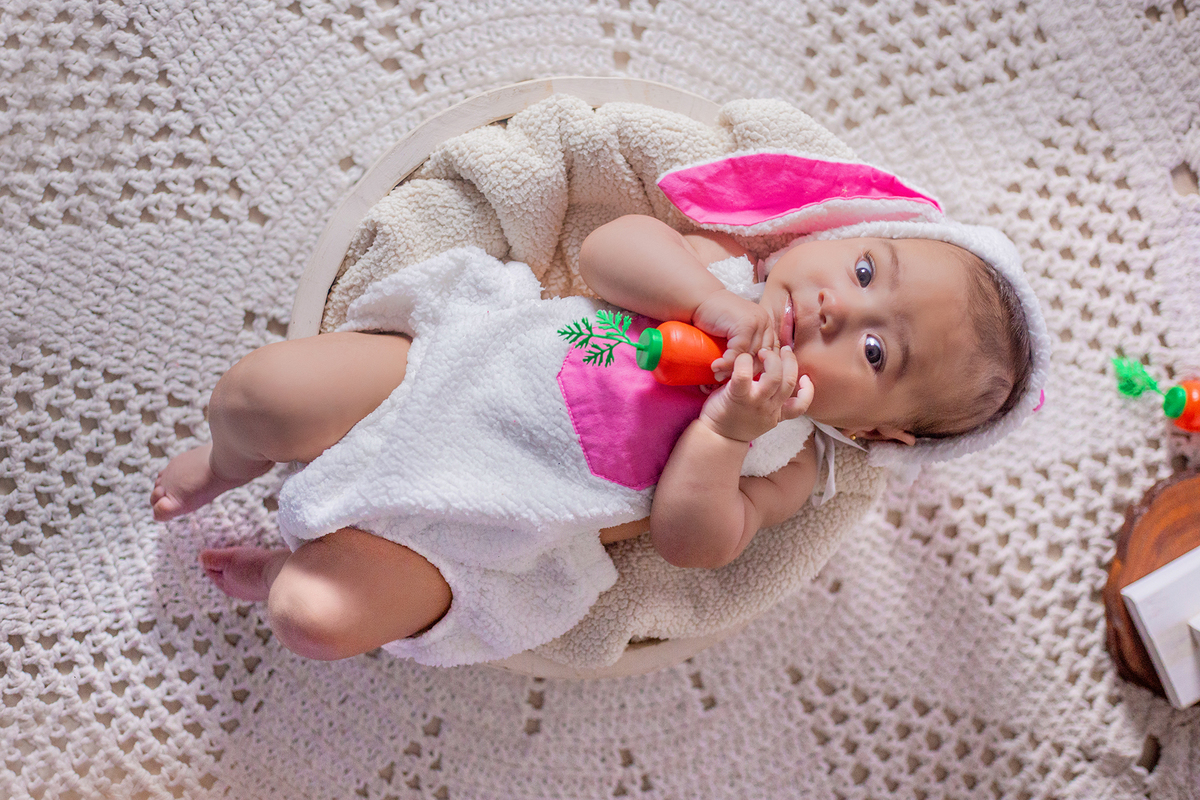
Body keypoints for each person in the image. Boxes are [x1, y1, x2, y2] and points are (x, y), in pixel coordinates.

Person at [150, 213, 1037, 665]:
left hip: (483, 527)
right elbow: (608, 249)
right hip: (446, 379)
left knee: (313, 618)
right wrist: (706, 301)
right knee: (259, 392)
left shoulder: (790, 456)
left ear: (870, 429)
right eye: (866, 268)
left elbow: (692, 541)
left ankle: (290, 562)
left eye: (877, 352)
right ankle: (226, 464)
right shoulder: (716, 268)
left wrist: (728, 432)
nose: (842, 308)